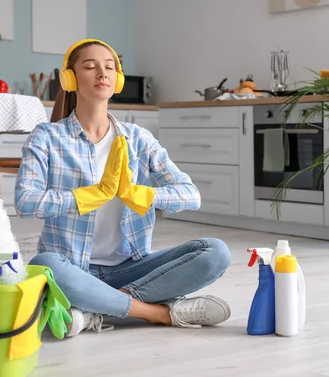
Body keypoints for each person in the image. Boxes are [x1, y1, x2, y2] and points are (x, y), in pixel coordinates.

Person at [15, 39, 232, 338]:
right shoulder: (48, 137)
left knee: (215, 252)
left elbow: (190, 194)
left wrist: (141, 194)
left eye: (109, 67)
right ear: (70, 78)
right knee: (43, 265)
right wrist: (87, 196)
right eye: (90, 66)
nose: (101, 72)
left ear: (116, 79)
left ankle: (95, 308)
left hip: (131, 267)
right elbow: (26, 201)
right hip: (74, 267)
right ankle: (158, 313)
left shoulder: (138, 139)